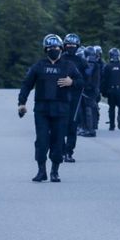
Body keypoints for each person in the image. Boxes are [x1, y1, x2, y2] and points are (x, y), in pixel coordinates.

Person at [18, 34, 82, 183]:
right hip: (42, 110)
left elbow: (81, 81)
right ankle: (41, 171)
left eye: (56, 47)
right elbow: (27, 84)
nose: (54, 50)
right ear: (45, 49)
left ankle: (55, 171)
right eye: (50, 47)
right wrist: (21, 103)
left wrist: (72, 82)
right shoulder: (38, 66)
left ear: (61, 49)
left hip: (61, 110)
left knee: (58, 141)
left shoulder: (68, 66)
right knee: (41, 141)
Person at [61, 33, 87, 163]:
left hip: (76, 96)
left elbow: (85, 81)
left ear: (77, 46)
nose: (71, 47)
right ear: (64, 46)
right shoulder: (59, 59)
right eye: (69, 45)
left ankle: (69, 152)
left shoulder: (82, 62)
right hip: (60, 96)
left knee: (73, 125)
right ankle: (60, 150)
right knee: (59, 124)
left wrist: (73, 82)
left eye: (73, 45)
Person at [101, 48, 120, 130]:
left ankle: (112, 125)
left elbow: (103, 80)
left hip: (110, 90)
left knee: (111, 108)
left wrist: (103, 92)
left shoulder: (107, 66)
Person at [79, 46, 101, 137]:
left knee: (87, 109)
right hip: (94, 89)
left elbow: (87, 75)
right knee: (90, 108)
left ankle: (89, 130)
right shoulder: (96, 63)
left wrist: (83, 84)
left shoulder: (89, 63)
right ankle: (87, 128)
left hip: (88, 89)